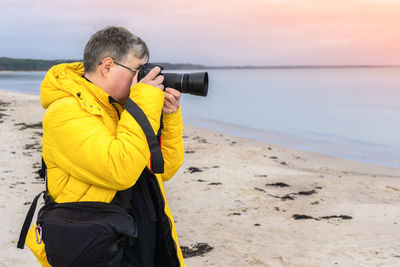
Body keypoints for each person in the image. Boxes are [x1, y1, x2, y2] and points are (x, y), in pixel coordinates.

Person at [24, 26, 186, 266]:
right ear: (107, 66)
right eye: (136, 70)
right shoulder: (65, 111)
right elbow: (119, 170)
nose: (141, 79)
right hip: (99, 246)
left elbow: (163, 170)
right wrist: (143, 102)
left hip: (143, 236)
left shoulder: (124, 110)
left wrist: (168, 117)